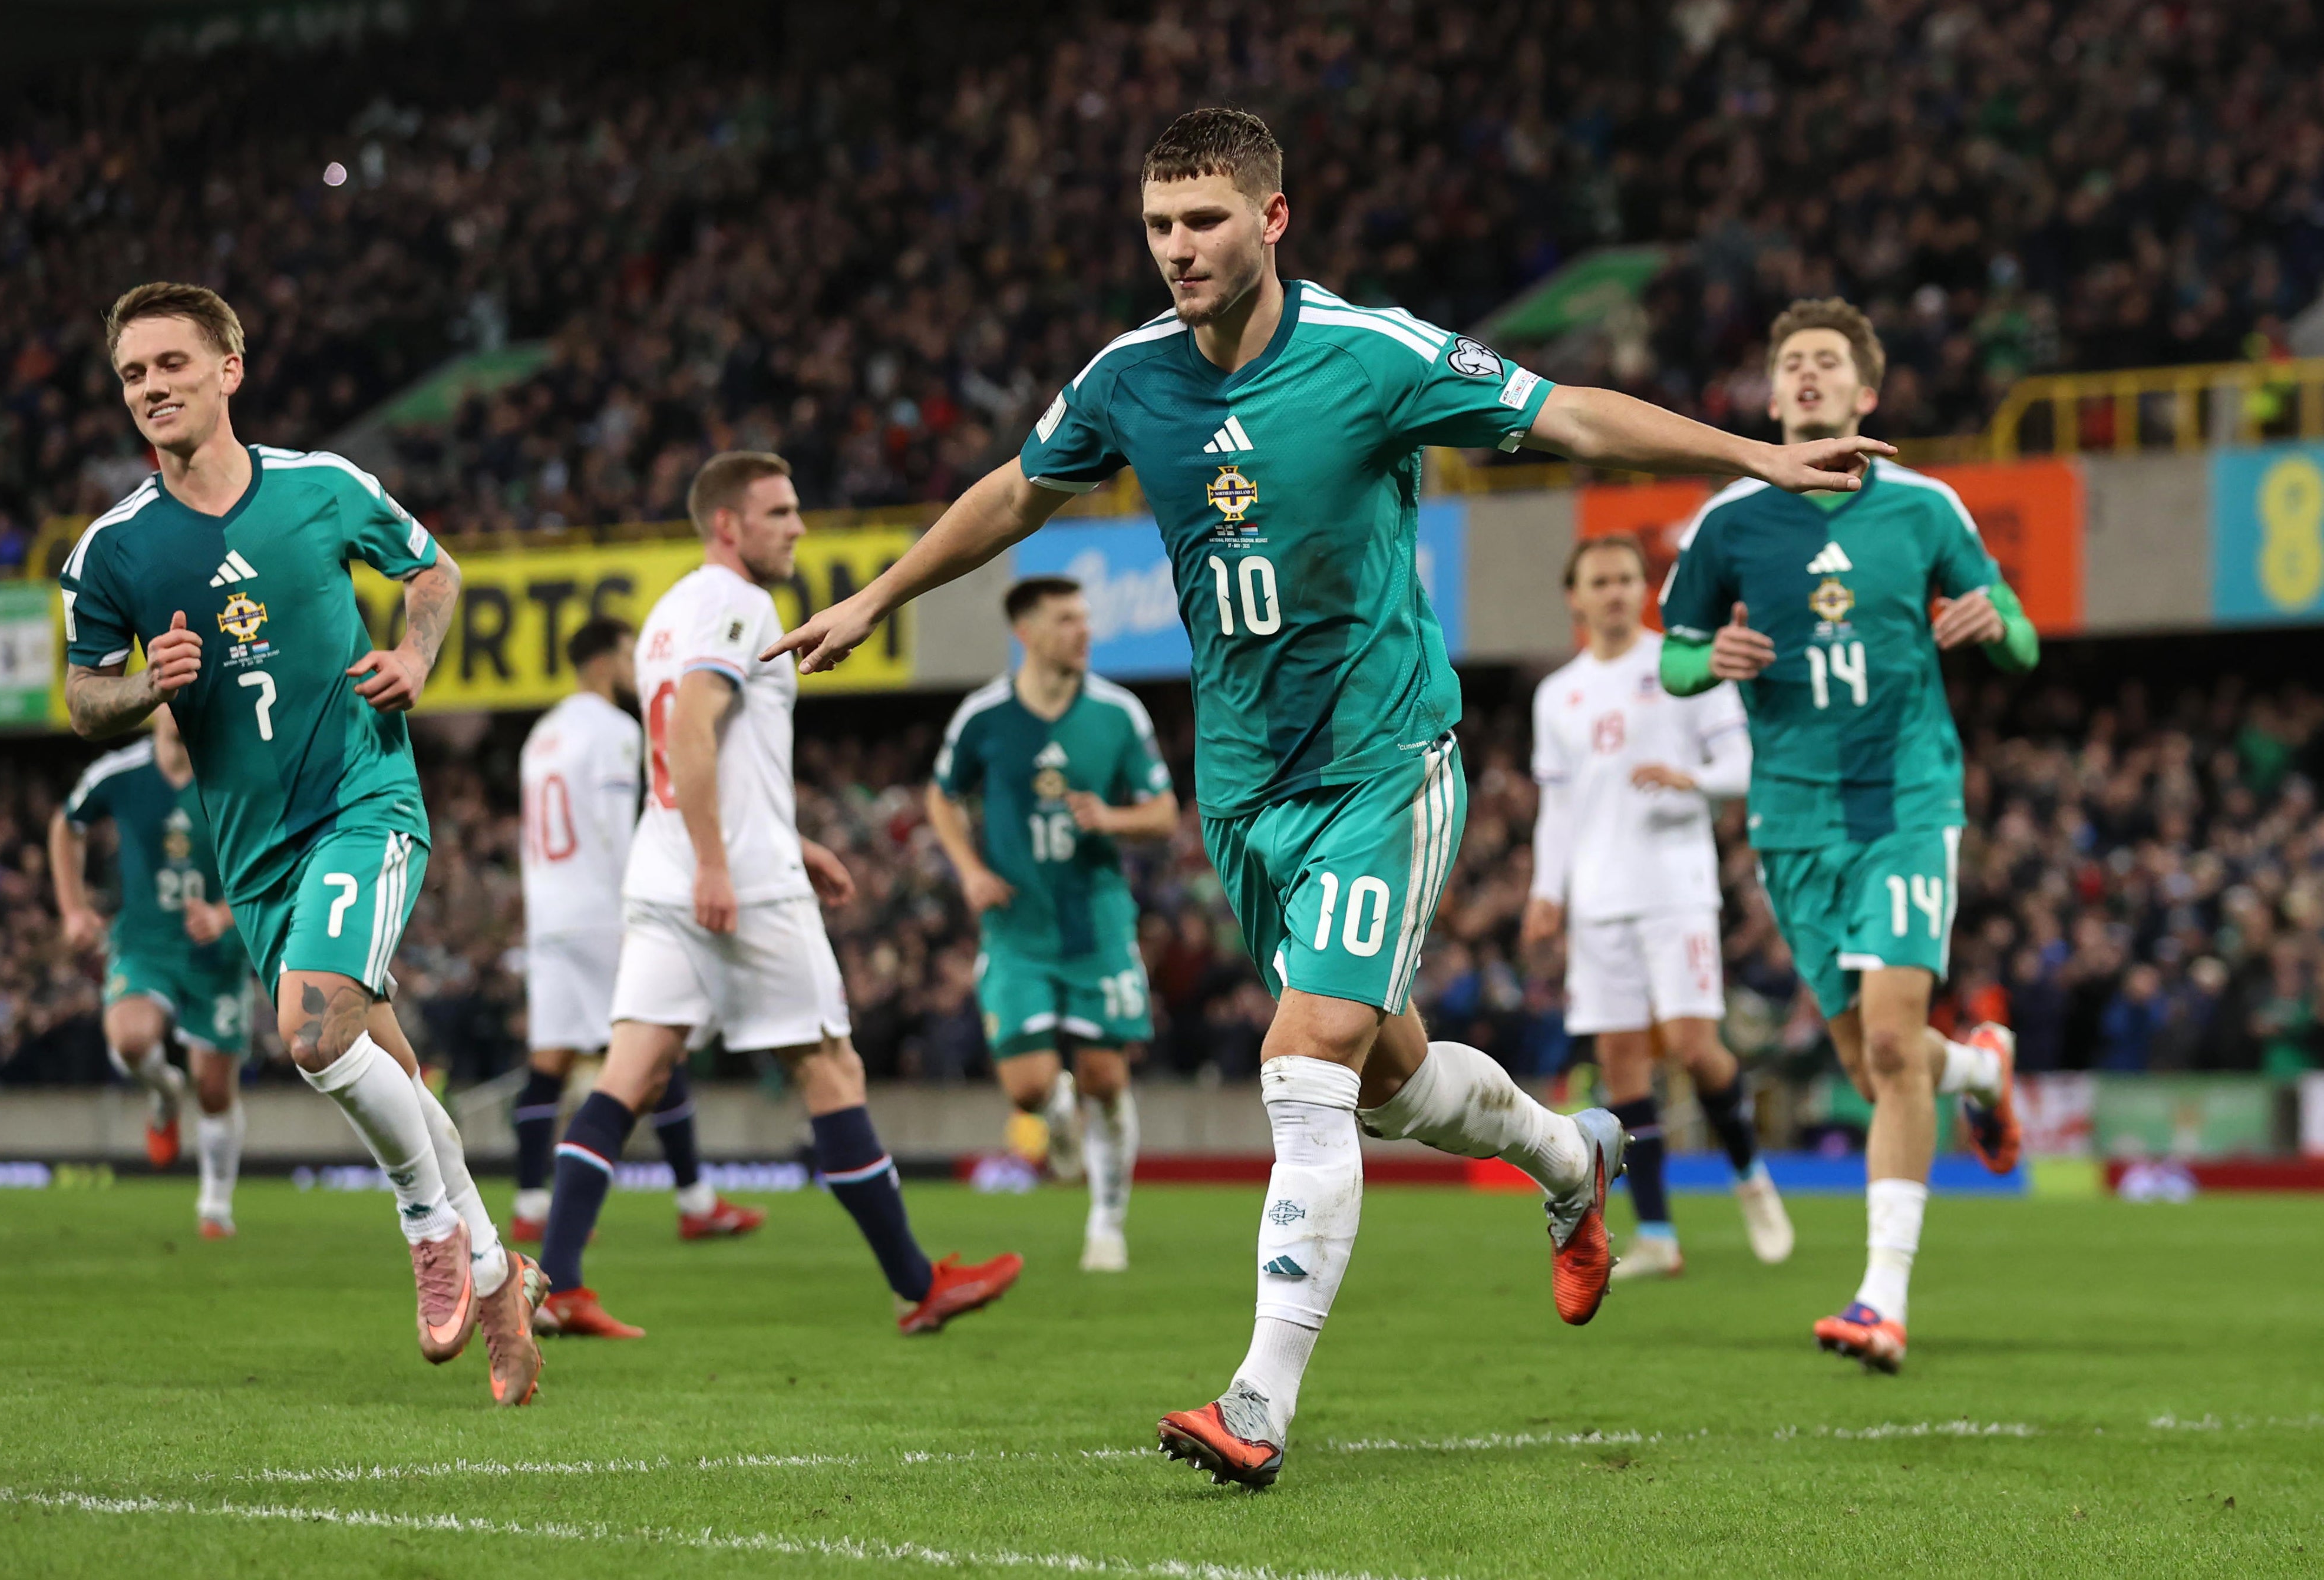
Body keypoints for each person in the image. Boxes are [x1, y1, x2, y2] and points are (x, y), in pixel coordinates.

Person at [770, 109, 1890, 1486]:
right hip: (1244, 790)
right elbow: (1016, 492)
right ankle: (1568, 1157)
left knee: (1301, 1066)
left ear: (1272, 218)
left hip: (1382, 764)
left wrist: (1752, 456)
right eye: (1159, 225)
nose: (1178, 248)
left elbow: (1567, 413)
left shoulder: (1373, 355)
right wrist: (877, 597)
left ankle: (1257, 1403)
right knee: (1387, 1085)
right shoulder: (1127, 377)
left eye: (1204, 220)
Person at [59, 281, 546, 1405]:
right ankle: (497, 1273)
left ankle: (428, 1228)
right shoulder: (113, 550)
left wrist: (415, 657)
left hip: (362, 801)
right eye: (133, 374)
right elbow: (84, 697)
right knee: (389, 1069)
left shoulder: (323, 486)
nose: (151, 388)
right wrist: (144, 687)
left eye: (172, 364)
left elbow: (433, 571)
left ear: (229, 370)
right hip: (255, 855)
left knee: (315, 1032)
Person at [535, 450, 1023, 1339]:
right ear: (728, 524)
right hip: (739, 885)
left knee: (629, 1075)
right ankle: (919, 1286)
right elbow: (692, 730)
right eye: (781, 512)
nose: (799, 526)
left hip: (663, 870)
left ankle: (558, 1281)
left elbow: (696, 755)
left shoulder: (667, 613)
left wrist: (784, 838)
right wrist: (722, 863)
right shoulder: (741, 603)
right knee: (830, 1067)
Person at [1657, 297, 2038, 1373]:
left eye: (1829, 360)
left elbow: (2019, 637)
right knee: (1876, 1072)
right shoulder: (1728, 521)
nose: (1809, 373)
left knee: (1890, 1042)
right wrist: (1709, 659)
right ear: (1773, 395)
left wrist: (1995, 624)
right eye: (1793, 362)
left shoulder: (1924, 507)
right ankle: (1980, 1072)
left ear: (1866, 393)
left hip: (1905, 802)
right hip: (1791, 819)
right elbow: (1673, 656)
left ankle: (1881, 1298)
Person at [1521, 536, 1791, 1280]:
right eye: (1600, 581)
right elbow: (1557, 810)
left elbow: (1743, 766)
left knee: (1695, 1048)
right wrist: (1547, 892)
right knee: (1622, 1067)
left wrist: (1690, 778)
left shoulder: (1683, 668)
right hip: (1598, 901)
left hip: (1676, 889)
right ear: (1575, 597)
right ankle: (1659, 1235)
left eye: (1626, 579)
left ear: (1644, 588)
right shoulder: (1558, 695)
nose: (1614, 592)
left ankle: (1750, 1175)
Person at [926, 576, 1179, 1272]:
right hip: (1017, 928)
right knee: (1028, 1088)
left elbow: (1164, 814)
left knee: (1106, 1075)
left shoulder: (1117, 713)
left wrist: (1113, 818)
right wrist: (969, 869)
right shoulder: (984, 715)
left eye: (1085, 618)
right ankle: (1060, 1116)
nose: (1083, 631)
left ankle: (1107, 1223)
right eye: (1067, 620)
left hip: (1095, 924)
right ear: (1027, 632)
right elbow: (942, 796)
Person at [509, 615, 764, 1245]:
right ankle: (695, 1200)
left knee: (550, 1061)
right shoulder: (617, 730)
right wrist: (640, 909)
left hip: (549, 914)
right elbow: (614, 829)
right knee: (658, 1044)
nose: (634, 667)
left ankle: (530, 1203)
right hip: (602, 911)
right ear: (603, 662)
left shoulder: (540, 735)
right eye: (627, 655)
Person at [49, 705, 256, 1236]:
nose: (181, 705)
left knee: (214, 1089)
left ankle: (215, 1206)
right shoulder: (119, 773)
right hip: (144, 945)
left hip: (217, 952)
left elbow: (273, 859)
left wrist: (223, 916)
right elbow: (66, 824)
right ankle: (164, 1092)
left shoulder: (239, 771)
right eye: (171, 694)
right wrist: (73, 910)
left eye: (193, 693)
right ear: (153, 703)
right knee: (130, 1040)